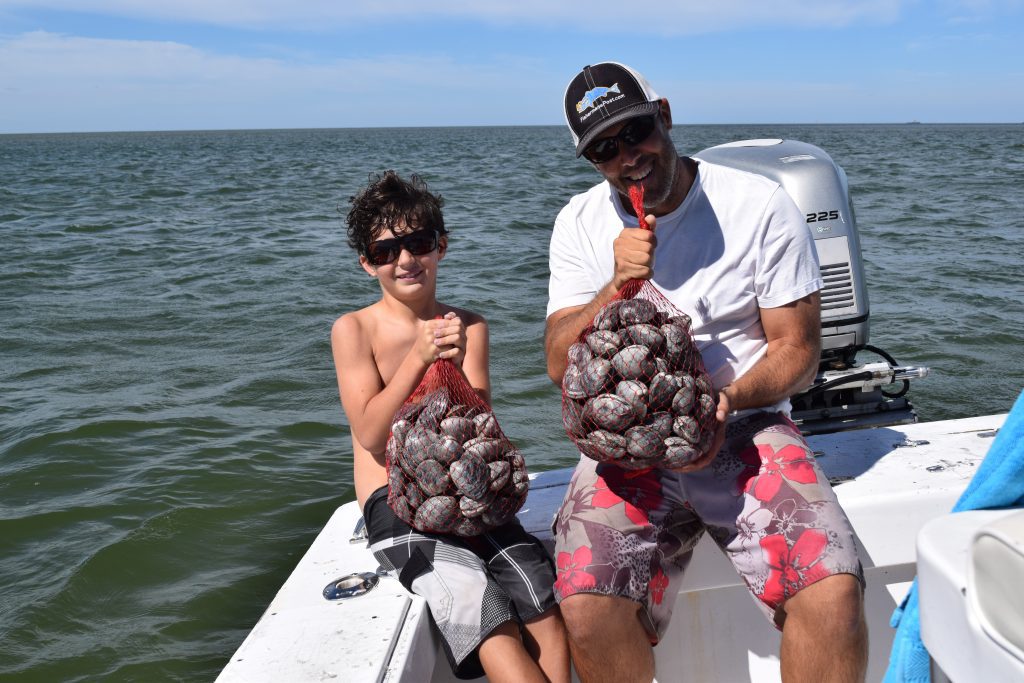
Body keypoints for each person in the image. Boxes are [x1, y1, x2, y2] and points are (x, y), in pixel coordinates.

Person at [544, 62, 868, 683]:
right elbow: (561, 363)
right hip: (630, 450)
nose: (627, 157)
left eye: (634, 131)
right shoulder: (579, 224)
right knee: (585, 609)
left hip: (746, 427)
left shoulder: (758, 205)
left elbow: (798, 351)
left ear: (663, 115)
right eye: (604, 149)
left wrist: (725, 400)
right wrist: (615, 284)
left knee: (832, 596)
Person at [332, 170, 569, 683]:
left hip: (469, 500)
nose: (404, 260)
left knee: (541, 597)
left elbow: (478, 428)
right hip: (395, 508)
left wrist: (454, 363)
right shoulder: (355, 330)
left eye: (417, 243)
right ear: (366, 264)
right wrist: (419, 359)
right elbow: (372, 436)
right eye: (384, 251)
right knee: (478, 602)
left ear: (441, 246)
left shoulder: (471, 325)